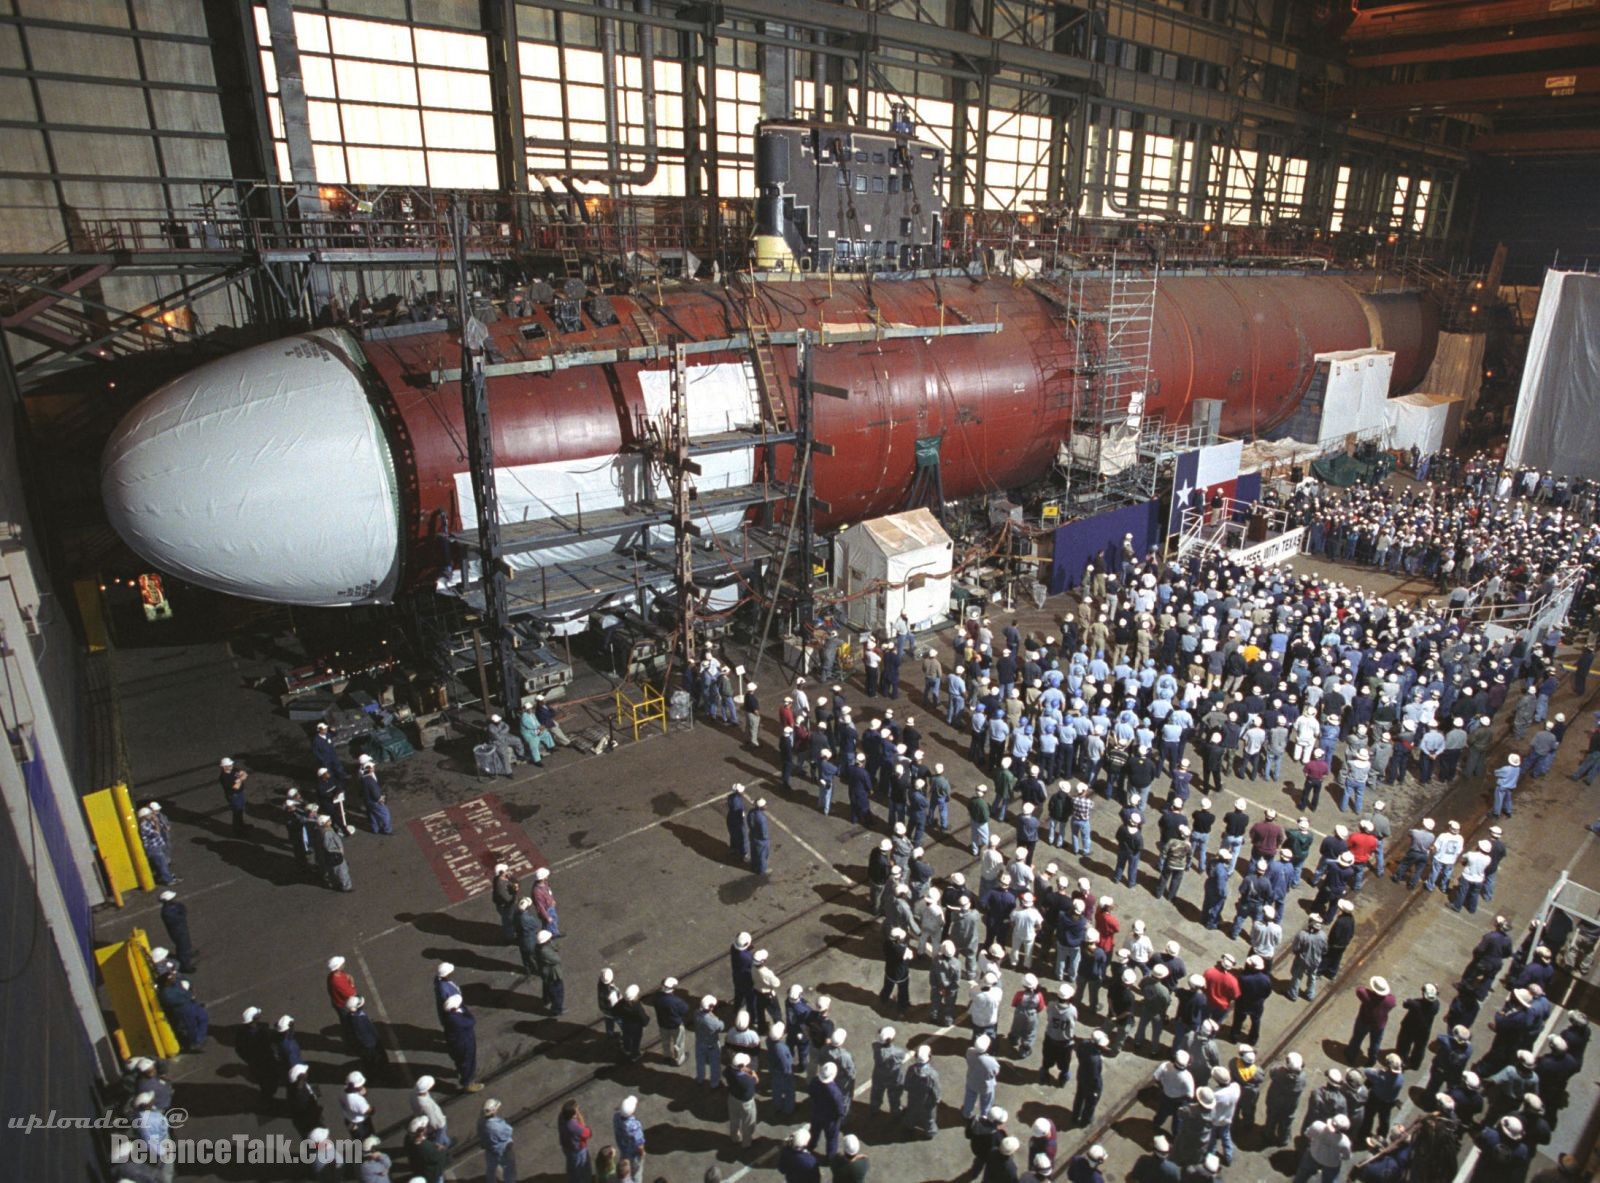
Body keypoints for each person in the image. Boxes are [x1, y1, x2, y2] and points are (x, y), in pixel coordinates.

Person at [441, 994, 482, 1092]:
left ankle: (464, 1074)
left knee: (462, 1062)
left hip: (459, 1043)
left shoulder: (449, 1016)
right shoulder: (455, 1019)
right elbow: (471, 1021)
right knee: (467, 1063)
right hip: (464, 1044)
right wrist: (464, 1011)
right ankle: (467, 1083)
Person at [158, 890, 197, 973]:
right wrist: (181, 913)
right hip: (177, 932)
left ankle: (188, 954)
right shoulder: (166, 912)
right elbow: (180, 916)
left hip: (181, 929)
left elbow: (183, 909)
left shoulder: (173, 906)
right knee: (182, 946)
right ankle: (185, 965)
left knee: (186, 943)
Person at [725, 1051, 758, 1147]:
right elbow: (755, 1080)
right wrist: (752, 1073)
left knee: (734, 1119)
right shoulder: (746, 1080)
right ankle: (746, 1143)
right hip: (746, 1103)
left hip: (732, 1098)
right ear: (741, 1067)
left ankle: (734, 1137)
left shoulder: (729, 1070)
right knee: (748, 1123)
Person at [478, 1098, 514, 1182]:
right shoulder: (496, 1126)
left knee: (491, 1168)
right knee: (508, 1168)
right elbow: (508, 1132)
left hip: (489, 1149)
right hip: (501, 1149)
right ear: (493, 1111)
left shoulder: (481, 1121)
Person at [557, 1098, 591, 1183]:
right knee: (581, 1168)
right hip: (577, 1150)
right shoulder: (574, 1126)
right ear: (572, 1114)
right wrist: (578, 1114)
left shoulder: (561, 1117)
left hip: (566, 1146)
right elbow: (587, 1133)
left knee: (571, 1167)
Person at [613, 1095, 646, 1178]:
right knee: (636, 1173)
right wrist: (642, 1154)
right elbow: (639, 1143)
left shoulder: (616, 1117)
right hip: (633, 1154)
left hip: (623, 1148)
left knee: (624, 1162)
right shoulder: (634, 1126)